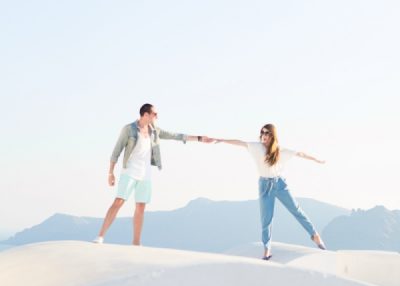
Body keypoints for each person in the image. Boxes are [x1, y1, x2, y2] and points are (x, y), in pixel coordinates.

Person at [94, 103, 212, 245]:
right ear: (146, 114)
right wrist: (110, 173)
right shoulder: (129, 129)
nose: (157, 116)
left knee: (141, 207)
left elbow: (174, 136)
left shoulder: (154, 130)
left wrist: (199, 138)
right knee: (118, 202)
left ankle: (136, 242)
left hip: (145, 175)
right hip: (130, 171)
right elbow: (116, 151)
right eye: (154, 114)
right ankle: (100, 236)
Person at [214, 123, 326, 260]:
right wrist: (222, 140)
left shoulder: (280, 150)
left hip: (280, 184)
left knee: (296, 210)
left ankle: (315, 235)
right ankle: (267, 249)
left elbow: (299, 154)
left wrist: (316, 160)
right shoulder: (256, 147)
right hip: (264, 186)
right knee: (266, 219)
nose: (264, 136)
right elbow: (240, 143)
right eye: (262, 132)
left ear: (272, 136)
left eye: (267, 133)